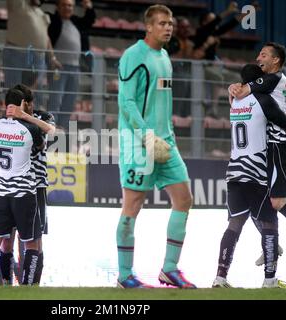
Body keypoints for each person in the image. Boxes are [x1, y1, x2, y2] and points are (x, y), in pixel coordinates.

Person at [116, 4, 195, 289]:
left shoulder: (165, 57)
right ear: (148, 26)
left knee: (184, 199)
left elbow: (163, 102)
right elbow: (126, 102)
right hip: (138, 144)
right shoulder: (133, 56)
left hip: (166, 143)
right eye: (162, 23)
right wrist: (147, 135)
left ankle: (170, 269)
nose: (168, 27)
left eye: (170, 23)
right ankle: (125, 275)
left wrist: (167, 135)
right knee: (132, 206)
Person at [212, 64, 286, 289]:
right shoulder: (264, 100)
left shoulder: (234, 101)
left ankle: (220, 277)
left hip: (234, 172)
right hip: (257, 172)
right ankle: (269, 281)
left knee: (234, 224)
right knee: (270, 224)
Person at [228, 42, 286, 266]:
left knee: (277, 201)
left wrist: (234, 87)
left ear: (275, 61)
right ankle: (270, 241)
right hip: (268, 147)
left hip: (279, 147)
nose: (258, 57)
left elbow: (241, 91)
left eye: (264, 55)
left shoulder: (274, 78)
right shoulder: (269, 85)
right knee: (259, 198)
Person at [0, 88, 44, 285]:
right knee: (31, 242)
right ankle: (26, 285)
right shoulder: (30, 129)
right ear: (22, 106)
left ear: (4, 104)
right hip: (23, 192)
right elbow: (44, 141)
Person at [0, 84, 56, 285]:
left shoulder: (42, 118)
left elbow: (51, 133)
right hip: (8, 186)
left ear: (29, 105)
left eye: (25, 105)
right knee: (7, 239)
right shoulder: (4, 123)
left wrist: (24, 116)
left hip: (36, 186)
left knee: (35, 241)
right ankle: (5, 282)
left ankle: (32, 285)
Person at [47, 0, 96, 130]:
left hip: (75, 68)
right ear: (57, 6)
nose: (67, 8)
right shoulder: (52, 21)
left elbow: (89, 21)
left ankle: (62, 127)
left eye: (70, 5)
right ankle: (51, 128)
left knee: (70, 100)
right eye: (63, 5)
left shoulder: (75, 22)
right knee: (56, 99)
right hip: (59, 67)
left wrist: (89, 8)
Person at [4, 0, 61, 108]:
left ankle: (35, 118)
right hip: (16, 52)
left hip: (39, 57)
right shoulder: (18, 4)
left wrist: (52, 57)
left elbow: (46, 37)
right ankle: (12, 118)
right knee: (14, 90)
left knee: (37, 92)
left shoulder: (42, 14)